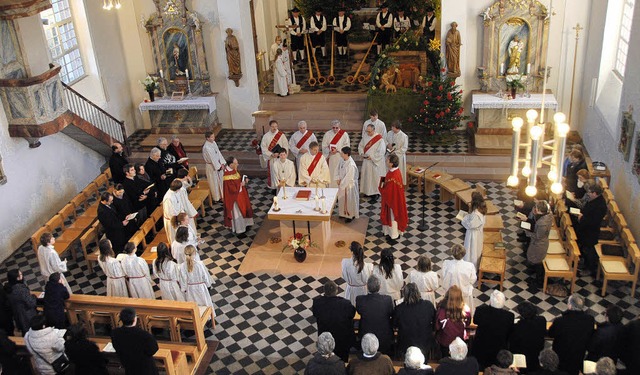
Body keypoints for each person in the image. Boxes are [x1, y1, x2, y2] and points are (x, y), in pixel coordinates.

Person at [548, 294, 595, 375]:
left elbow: (551, 334)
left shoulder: (560, 321)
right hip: (577, 356)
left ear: (569, 305)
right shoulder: (589, 320)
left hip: (560, 356)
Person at [311, 280, 356, 363]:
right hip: (342, 339)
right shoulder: (345, 304)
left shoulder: (317, 303)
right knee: (342, 360)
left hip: (325, 337)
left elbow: (315, 314)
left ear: (324, 291)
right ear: (336, 291)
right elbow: (352, 314)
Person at [472, 290, 515, 369]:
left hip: (480, 348)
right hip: (499, 351)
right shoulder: (509, 316)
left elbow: (475, 321)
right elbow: (510, 332)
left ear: (491, 302)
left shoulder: (480, 311)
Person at [111, 307, 159, 375]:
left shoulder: (115, 333)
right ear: (134, 319)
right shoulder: (144, 335)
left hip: (128, 366)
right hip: (145, 368)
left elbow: (116, 346)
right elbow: (153, 349)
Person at [394, 282, 436, 359]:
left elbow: (394, 324)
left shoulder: (399, 308)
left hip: (405, 344)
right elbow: (435, 322)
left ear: (404, 295)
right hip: (424, 343)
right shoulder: (428, 305)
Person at [355, 276, 394, 355]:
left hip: (366, 335)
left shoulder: (360, 300)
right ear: (380, 287)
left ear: (367, 287)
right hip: (384, 336)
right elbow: (391, 312)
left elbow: (359, 311)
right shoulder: (387, 300)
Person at [575, 183, 607, 276]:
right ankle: (584, 264)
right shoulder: (593, 199)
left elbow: (594, 221)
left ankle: (590, 269)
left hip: (591, 232)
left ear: (595, 193)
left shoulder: (600, 205)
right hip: (585, 229)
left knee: (589, 250)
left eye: (589, 192)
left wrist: (582, 218)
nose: (588, 194)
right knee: (585, 248)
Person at [179, 245, 215, 322]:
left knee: (194, 305)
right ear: (194, 253)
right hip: (201, 288)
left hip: (190, 289)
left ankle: (196, 318)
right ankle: (207, 317)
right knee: (205, 303)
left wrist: (184, 289)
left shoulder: (182, 266)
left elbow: (183, 280)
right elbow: (205, 276)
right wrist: (208, 285)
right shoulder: (200, 264)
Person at [509, 301, 547, 372]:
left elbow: (513, 345)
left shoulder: (518, 328)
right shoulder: (542, 320)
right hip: (537, 354)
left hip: (523, 358)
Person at [435, 286, 471, 357]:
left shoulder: (442, 310)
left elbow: (437, 326)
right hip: (459, 341)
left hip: (445, 342)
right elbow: (468, 323)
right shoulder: (465, 310)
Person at [380, 154, 409, 240]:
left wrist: (381, 188)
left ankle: (393, 234)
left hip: (393, 202)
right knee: (390, 216)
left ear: (391, 163)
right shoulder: (394, 171)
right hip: (393, 200)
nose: (386, 161)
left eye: (387, 160)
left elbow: (389, 192)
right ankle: (388, 232)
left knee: (392, 217)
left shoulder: (394, 176)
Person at [441, 244, 477, 312]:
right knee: (465, 313)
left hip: (451, 295)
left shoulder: (446, 264)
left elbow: (443, 276)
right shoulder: (469, 266)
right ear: (464, 254)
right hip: (464, 294)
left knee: (451, 313)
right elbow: (473, 280)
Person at [223, 156, 254, 234]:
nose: (238, 164)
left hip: (240, 194)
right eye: (236, 163)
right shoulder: (227, 175)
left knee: (245, 208)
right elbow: (232, 189)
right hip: (234, 199)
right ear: (231, 165)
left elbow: (238, 177)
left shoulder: (233, 170)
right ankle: (240, 229)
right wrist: (241, 184)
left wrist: (244, 178)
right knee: (238, 213)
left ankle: (246, 224)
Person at [525, 200, 553, 288]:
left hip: (539, 245)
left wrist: (527, 232)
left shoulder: (543, 224)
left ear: (539, 210)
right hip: (539, 243)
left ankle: (539, 281)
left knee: (538, 262)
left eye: (536, 208)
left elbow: (538, 236)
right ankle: (536, 276)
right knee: (536, 261)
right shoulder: (547, 215)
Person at [163, 179, 198, 244]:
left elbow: (180, 204)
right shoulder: (168, 198)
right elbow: (171, 213)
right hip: (174, 221)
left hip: (179, 217)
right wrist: (180, 219)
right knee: (175, 239)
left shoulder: (176, 192)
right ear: (177, 188)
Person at [359, 124, 387, 203]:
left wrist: (372, 157)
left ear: (374, 130)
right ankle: (367, 192)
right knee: (367, 177)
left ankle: (375, 194)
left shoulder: (379, 139)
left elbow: (381, 152)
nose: (368, 133)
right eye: (367, 131)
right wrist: (362, 153)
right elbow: (360, 146)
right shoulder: (365, 136)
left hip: (375, 162)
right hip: (366, 161)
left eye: (369, 131)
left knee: (374, 178)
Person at [6, 269, 37, 335]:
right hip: (27, 315)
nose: (22, 276)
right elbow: (31, 303)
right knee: (32, 332)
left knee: (25, 331)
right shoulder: (21, 289)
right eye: (21, 274)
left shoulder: (7, 287)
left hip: (17, 314)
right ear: (17, 278)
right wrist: (34, 297)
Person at [461, 191, 486, 269]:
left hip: (473, 236)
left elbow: (470, 225)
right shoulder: (481, 210)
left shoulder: (476, 214)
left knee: (472, 252)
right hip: (477, 233)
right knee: (475, 251)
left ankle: (471, 268)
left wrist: (463, 219)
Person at [261, 120, 289, 189]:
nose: (274, 128)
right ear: (270, 127)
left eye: (276, 126)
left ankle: (282, 186)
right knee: (273, 173)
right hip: (272, 159)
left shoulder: (281, 135)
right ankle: (274, 187)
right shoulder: (266, 136)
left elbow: (286, 146)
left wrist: (281, 154)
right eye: (273, 126)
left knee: (281, 173)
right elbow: (263, 148)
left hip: (280, 158)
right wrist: (271, 154)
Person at [341, 241, 372, 305]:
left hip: (351, 290)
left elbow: (344, 276)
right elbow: (368, 279)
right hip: (363, 291)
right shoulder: (368, 266)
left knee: (350, 308)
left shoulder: (345, 263)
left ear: (352, 251)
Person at [322, 120, 351, 188]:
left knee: (340, 173)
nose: (335, 129)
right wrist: (329, 151)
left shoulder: (344, 134)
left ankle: (340, 190)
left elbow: (347, 146)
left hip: (341, 157)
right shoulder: (327, 134)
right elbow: (324, 146)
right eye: (333, 127)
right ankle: (331, 188)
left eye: (336, 128)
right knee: (332, 174)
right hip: (331, 158)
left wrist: (337, 150)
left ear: (339, 127)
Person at [336, 147, 360, 222]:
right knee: (342, 199)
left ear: (346, 154)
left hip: (349, 186)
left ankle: (350, 215)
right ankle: (343, 213)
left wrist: (342, 183)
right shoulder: (341, 160)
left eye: (342, 153)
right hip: (342, 184)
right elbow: (337, 169)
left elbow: (349, 177)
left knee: (349, 201)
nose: (340, 154)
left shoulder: (351, 165)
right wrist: (337, 178)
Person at [202, 131, 225, 202]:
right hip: (211, 167)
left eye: (213, 136)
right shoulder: (207, 147)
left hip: (217, 164)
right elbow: (212, 158)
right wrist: (218, 167)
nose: (213, 138)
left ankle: (222, 195)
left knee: (221, 181)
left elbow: (218, 153)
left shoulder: (213, 143)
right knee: (214, 182)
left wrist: (222, 163)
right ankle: (216, 197)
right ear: (207, 138)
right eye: (212, 137)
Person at [420, 6, 438, 72]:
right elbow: (423, 25)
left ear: (432, 12)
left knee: (430, 48)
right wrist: (425, 28)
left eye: (430, 12)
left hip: (431, 35)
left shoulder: (434, 18)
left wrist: (426, 28)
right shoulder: (425, 17)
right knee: (424, 46)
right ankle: (425, 59)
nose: (429, 13)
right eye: (428, 12)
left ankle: (430, 62)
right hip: (425, 35)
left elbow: (432, 28)